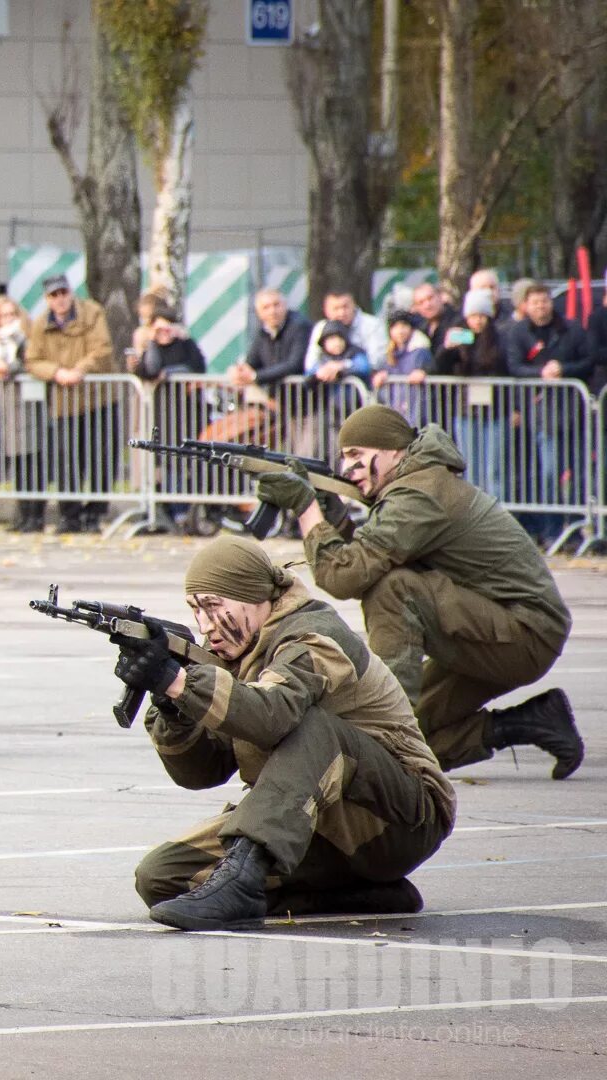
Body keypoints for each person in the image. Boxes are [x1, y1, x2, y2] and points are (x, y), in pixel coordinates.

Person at [126, 536, 455, 930]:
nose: (205, 625)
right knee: (161, 878)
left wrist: (179, 681)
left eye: (214, 607)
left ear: (255, 597)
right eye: (196, 610)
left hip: (401, 820)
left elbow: (272, 715)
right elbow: (201, 773)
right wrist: (172, 706)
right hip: (319, 826)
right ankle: (354, 895)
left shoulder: (315, 636)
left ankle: (241, 881)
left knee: (315, 729)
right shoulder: (240, 651)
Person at [253, 404, 582, 780]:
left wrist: (307, 508)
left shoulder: (420, 493)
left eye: (357, 455)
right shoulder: (418, 484)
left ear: (393, 450)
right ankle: (530, 723)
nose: (347, 469)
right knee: (416, 741)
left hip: (524, 634)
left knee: (393, 590)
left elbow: (345, 577)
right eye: (344, 458)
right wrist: (335, 519)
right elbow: (365, 559)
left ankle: (382, 722)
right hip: (495, 628)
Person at [502, 280, 595, 542]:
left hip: (573, 409)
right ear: (526, 306)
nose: (541, 306)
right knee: (550, 473)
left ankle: (576, 529)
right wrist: (540, 373)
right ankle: (553, 531)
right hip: (543, 414)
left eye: (544, 300)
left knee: (577, 472)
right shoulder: (520, 333)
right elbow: (515, 367)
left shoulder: (571, 328)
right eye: (535, 302)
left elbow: (588, 361)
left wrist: (563, 369)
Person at [26, 274, 118, 534]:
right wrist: (57, 373)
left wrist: (79, 370)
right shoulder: (41, 323)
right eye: (54, 295)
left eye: (63, 293)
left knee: (102, 459)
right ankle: (71, 516)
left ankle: (95, 514)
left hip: (98, 397)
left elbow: (102, 349)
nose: (60, 299)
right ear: (47, 299)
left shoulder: (93, 312)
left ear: (71, 292)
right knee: (67, 460)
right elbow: (32, 360)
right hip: (64, 401)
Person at [136, 307, 208, 532]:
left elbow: (197, 367)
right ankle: (177, 512)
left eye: (168, 326)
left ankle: (191, 510)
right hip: (164, 411)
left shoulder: (187, 345)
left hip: (188, 411)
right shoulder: (152, 347)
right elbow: (149, 369)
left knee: (188, 460)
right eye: (159, 327)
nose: (164, 332)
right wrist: (152, 343)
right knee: (169, 462)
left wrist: (171, 373)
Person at [430, 289, 507, 495]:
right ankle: (473, 515)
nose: (478, 321)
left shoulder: (499, 338)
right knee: (470, 467)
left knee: (494, 469)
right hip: (465, 411)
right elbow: (438, 368)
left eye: (482, 315)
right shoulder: (458, 336)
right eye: (473, 316)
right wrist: (447, 348)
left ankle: (495, 516)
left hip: (495, 412)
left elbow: (505, 368)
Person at [0, 296, 42, 531]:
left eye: (11, 314)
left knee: (31, 461)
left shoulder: (26, 337)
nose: (7, 320)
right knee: (17, 464)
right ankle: (22, 514)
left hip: (25, 404)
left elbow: (31, 362)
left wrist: (8, 367)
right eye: (3, 315)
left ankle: (35, 516)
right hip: (3, 406)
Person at [231, 287, 313, 389]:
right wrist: (239, 370)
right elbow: (251, 361)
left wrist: (255, 376)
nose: (272, 311)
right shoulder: (263, 331)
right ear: (259, 313)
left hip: (303, 397)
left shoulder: (300, 326)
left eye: (276, 305)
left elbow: (294, 364)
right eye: (266, 307)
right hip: (277, 396)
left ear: (285, 306)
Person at [302, 291, 389, 375]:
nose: (341, 313)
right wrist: (324, 370)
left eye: (345, 307)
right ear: (326, 311)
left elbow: (376, 361)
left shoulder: (372, 324)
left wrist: (343, 366)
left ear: (354, 305)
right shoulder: (321, 327)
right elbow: (310, 363)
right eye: (336, 308)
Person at [375, 310, 432, 424]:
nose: (400, 331)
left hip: (416, 413)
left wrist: (424, 371)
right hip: (397, 413)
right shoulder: (389, 355)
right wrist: (381, 378)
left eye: (404, 326)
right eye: (395, 327)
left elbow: (432, 367)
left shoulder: (420, 351)